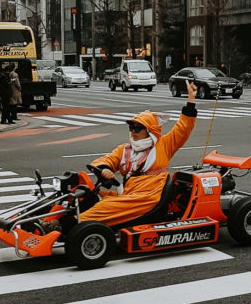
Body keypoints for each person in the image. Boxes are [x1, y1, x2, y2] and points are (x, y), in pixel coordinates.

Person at [80, 79, 199, 225]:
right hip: (128, 194)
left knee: (104, 206)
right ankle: (53, 219)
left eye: (138, 129)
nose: (133, 132)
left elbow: (183, 129)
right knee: (84, 193)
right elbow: (107, 160)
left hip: (146, 198)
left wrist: (190, 100)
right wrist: (105, 170)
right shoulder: (124, 149)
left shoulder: (163, 146)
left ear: (149, 131)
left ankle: (72, 224)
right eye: (131, 128)